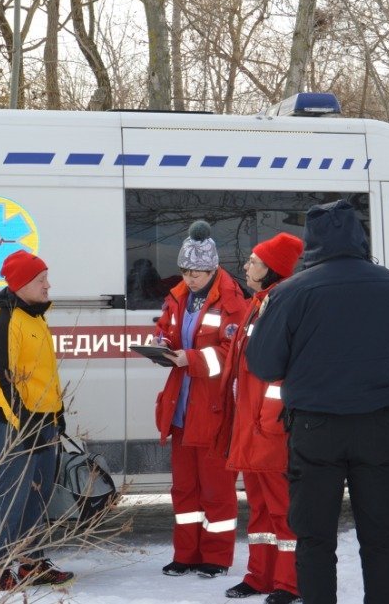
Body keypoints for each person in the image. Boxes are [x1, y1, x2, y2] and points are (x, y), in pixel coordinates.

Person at [246, 200, 389, 604]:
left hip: (315, 431)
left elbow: (262, 362)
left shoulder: (292, 291)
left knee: (314, 540)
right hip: (377, 427)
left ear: (311, 241)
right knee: (380, 539)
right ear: (358, 235)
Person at [155, 221, 248, 578]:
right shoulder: (179, 295)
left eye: (196, 272)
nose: (190, 278)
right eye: (186, 271)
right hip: (181, 407)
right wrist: (162, 344)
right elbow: (166, 328)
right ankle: (186, 554)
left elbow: (232, 353)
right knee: (184, 490)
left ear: (212, 269)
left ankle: (216, 557)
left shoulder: (231, 300)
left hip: (213, 410)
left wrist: (189, 360)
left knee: (216, 491)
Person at [216, 232, 305, 604]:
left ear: (273, 270)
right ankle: (260, 576)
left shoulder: (282, 306)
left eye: (254, 261)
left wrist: (267, 419)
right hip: (252, 426)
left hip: (271, 427)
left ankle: (289, 583)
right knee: (260, 509)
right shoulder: (260, 303)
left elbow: (281, 375)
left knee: (283, 510)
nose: (246, 267)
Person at [0, 250, 74, 591]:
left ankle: (32, 561)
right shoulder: (4, 322)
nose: (48, 285)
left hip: (43, 421)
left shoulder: (36, 318)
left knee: (38, 493)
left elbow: (44, 374)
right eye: (41, 280)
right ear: (21, 284)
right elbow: (0, 380)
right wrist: (22, 421)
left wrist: (57, 414)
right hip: (14, 423)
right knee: (11, 495)